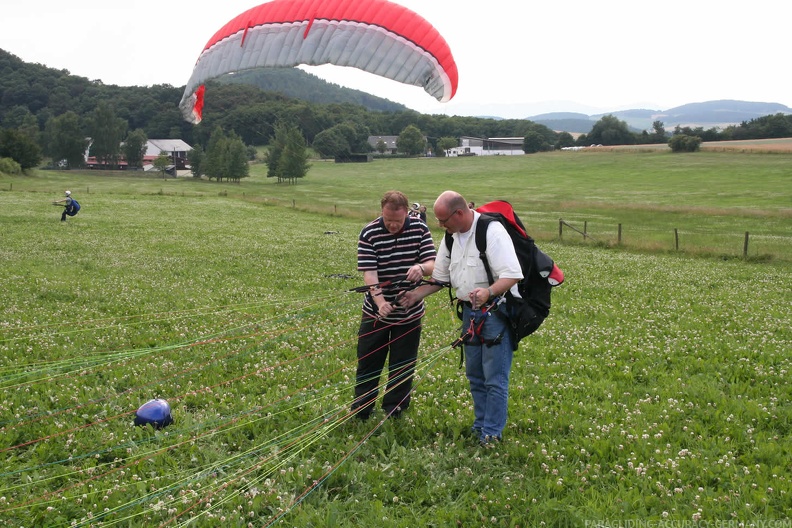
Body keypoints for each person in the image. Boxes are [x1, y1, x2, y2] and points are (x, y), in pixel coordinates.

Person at [399, 190, 522, 447]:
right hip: (469, 313)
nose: (441, 225)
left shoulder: (491, 231)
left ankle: (491, 433)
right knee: (475, 374)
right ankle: (480, 426)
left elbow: (512, 274)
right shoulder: (451, 237)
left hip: (495, 313)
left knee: (494, 378)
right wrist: (415, 295)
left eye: (444, 220)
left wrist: (488, 291)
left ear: (460, 212)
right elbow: (441, 279)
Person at [351, 191, 436, 420]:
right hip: (375, 312)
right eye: (388, 220)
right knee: (368, 362)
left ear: (406, 213)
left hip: (409, 313)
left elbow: (432, 263)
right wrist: (380, 302)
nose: (392, 225)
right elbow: (370, 272)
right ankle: (361, 411)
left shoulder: (420, 229)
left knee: (403, 364)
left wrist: (421, 268)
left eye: (397, 221)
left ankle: (394, 410)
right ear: (382, 212)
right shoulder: (369, 232)